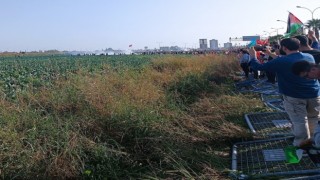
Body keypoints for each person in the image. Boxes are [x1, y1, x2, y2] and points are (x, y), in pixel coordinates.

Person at [248, 37, 320, 147]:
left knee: (300, 121)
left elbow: (258, 67)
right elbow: (289, 61)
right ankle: (315, 142)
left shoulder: (281, 61)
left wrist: (253, 56)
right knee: (314, 119)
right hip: (315, 94)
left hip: (295, 96)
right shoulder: (309, 56)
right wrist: (271, 54)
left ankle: (302, 146)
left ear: (284, 48)